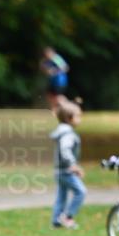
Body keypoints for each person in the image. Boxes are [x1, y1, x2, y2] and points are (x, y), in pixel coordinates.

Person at [50, 98, 86, 229]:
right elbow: (65, 150)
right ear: (69, 118)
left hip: (59, 171)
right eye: (78, 116)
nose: (80, 119)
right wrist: (73, 165)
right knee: (81, 192)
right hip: (66, 171)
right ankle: (67, 217)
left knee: (61, 196)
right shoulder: (67, 134)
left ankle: (56, 220)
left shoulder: (61, 131)